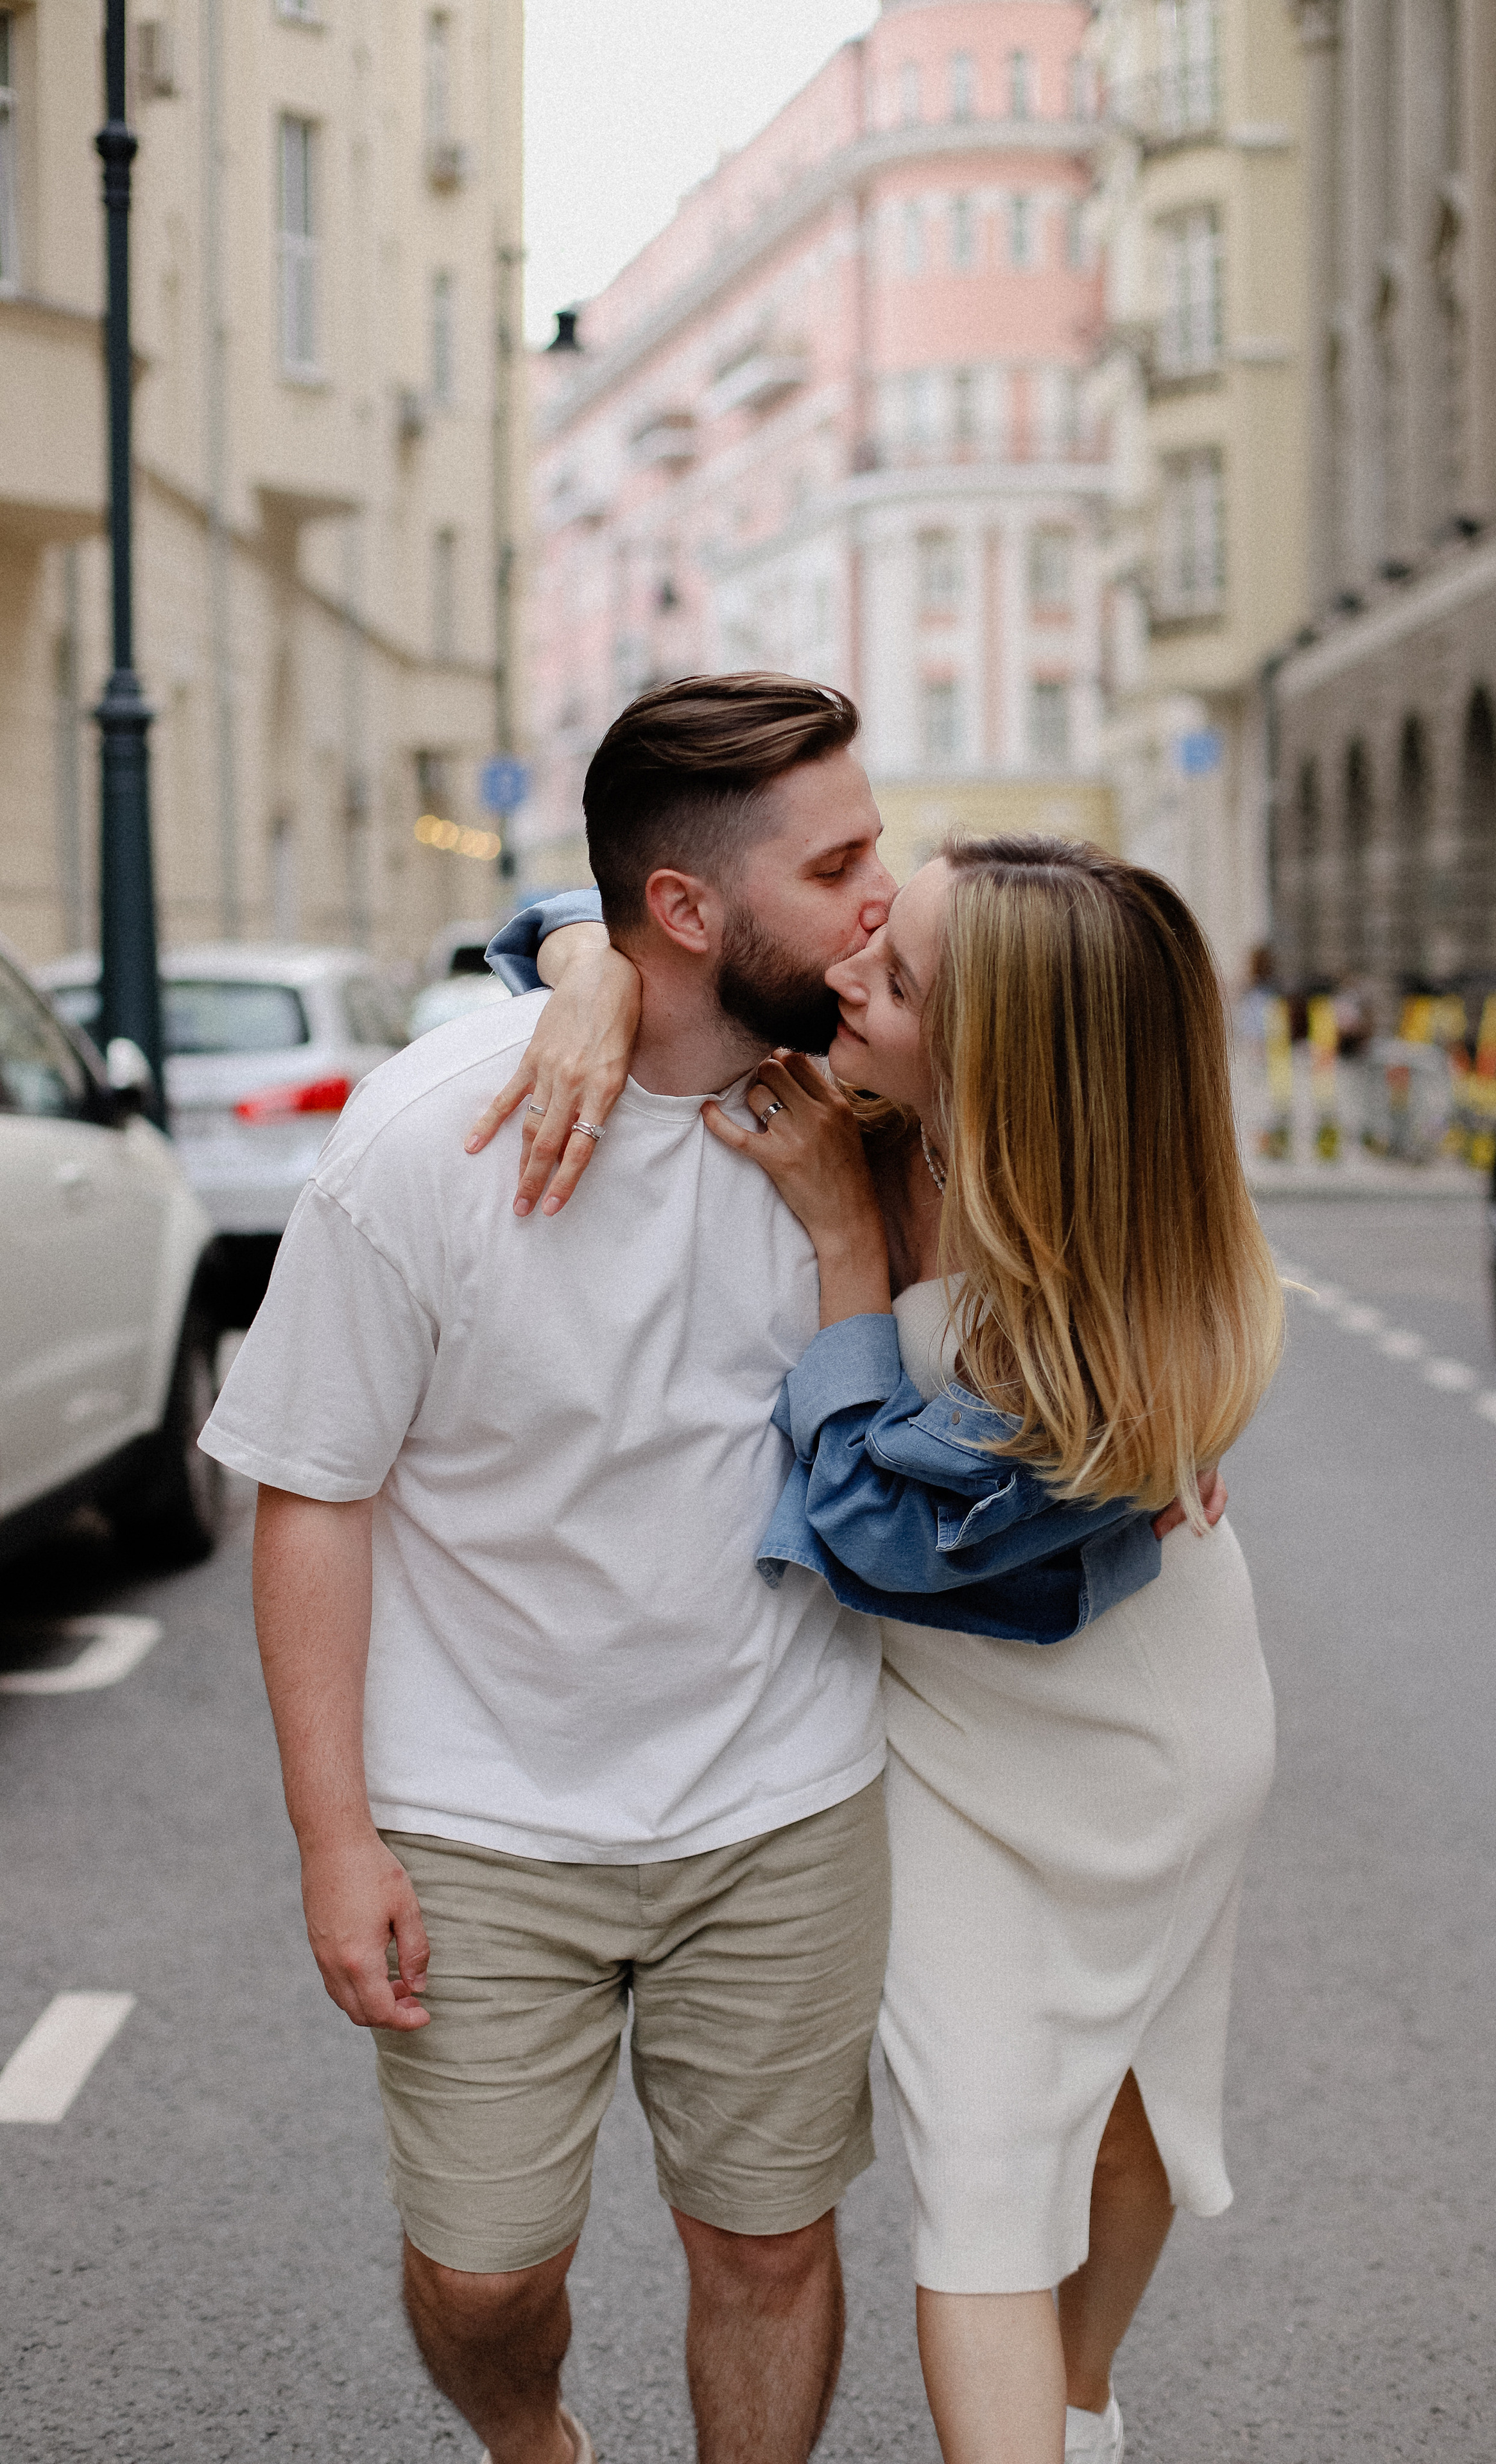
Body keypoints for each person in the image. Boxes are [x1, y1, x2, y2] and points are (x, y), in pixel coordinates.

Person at [481, 834, 1282, 2464]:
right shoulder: (862, 1063)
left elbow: (872, 1539)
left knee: (1126, 2119)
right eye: (875, 932)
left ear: (996, 1063)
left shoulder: (1094, 1303)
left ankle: (1076, 2402)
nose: (846, 973)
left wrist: (848, 1246)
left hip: (1140, 1735)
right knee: (990, 2164)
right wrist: (587, 970)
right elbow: (672, 923)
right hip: (944, 1754)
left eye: (895, 976)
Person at [198, 674, 920, 2464]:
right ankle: (535, 2443)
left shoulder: (872, 1102)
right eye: (839, 865)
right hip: (483, 1819)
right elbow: (314, 1492)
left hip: (782, 1793)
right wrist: (335, 1837)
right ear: (683, 911)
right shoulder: (418, 1143)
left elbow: (1109, 1141)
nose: (883, 898)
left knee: (767, 2244)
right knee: (484, 2280)